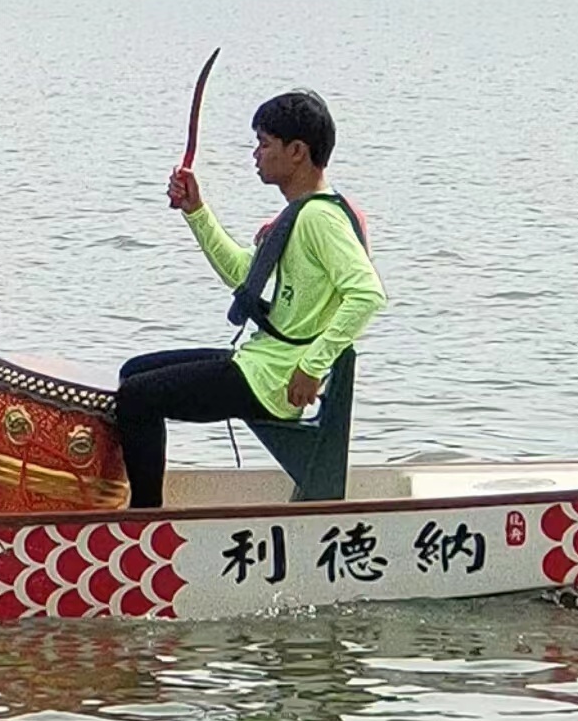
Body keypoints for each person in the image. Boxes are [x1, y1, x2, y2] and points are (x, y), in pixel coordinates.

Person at [113, 88, 385, 509]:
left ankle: (144, 519)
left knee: (136, 398)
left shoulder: (319, 219)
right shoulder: (302, 214)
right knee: (134, 373)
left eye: (264, 143)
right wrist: (196, 211)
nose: (255, 154)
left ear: (297, 152)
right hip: (262, 363)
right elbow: (243, 276)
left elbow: (367, 294)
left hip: (273, 379)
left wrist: (312, 366)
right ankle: (132, 500)